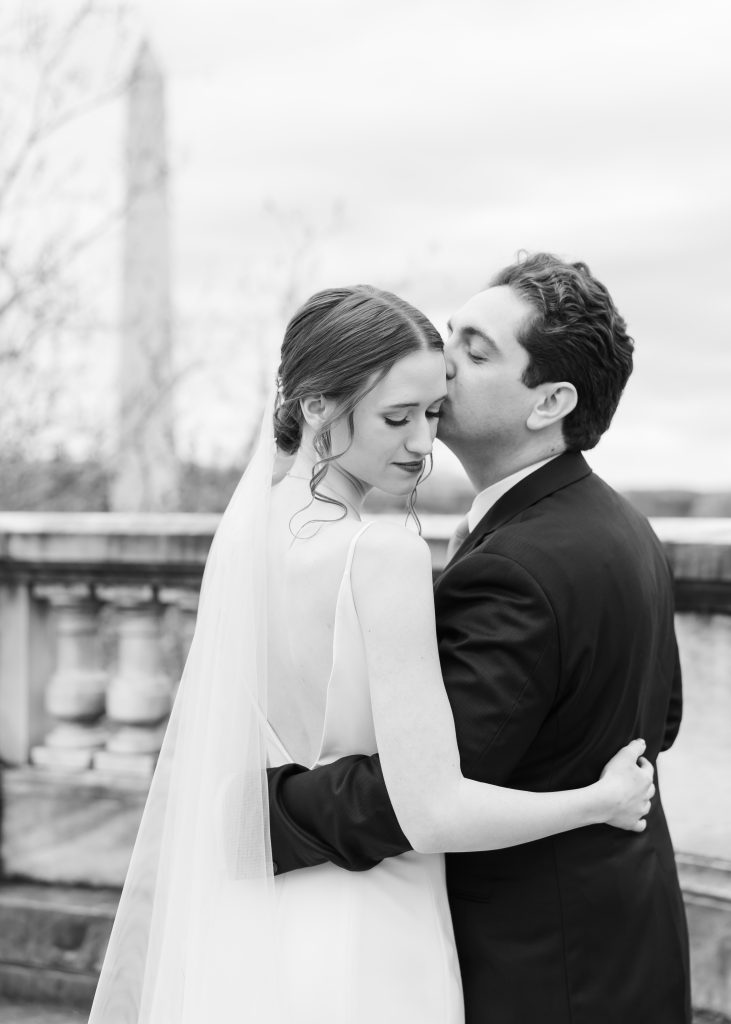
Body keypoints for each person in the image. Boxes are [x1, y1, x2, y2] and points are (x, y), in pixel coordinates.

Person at [89, 280, 653, 1024]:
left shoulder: (247, 532)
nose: (422, 443)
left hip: (253, 919)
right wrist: (597, 802)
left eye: (429, 412)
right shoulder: (379, 553)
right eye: (397, 418)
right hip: (368, 927)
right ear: (316, 403)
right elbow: (433, 810)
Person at [267, 259, 691, 1024]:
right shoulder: (620, 524)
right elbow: (657, 722)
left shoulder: (520, 564)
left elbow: (411, 794)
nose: (440, 356)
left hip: (541, 968)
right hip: (622, 937)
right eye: (450, 330)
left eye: (475, 348)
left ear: (550, 402)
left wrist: (254, 807)